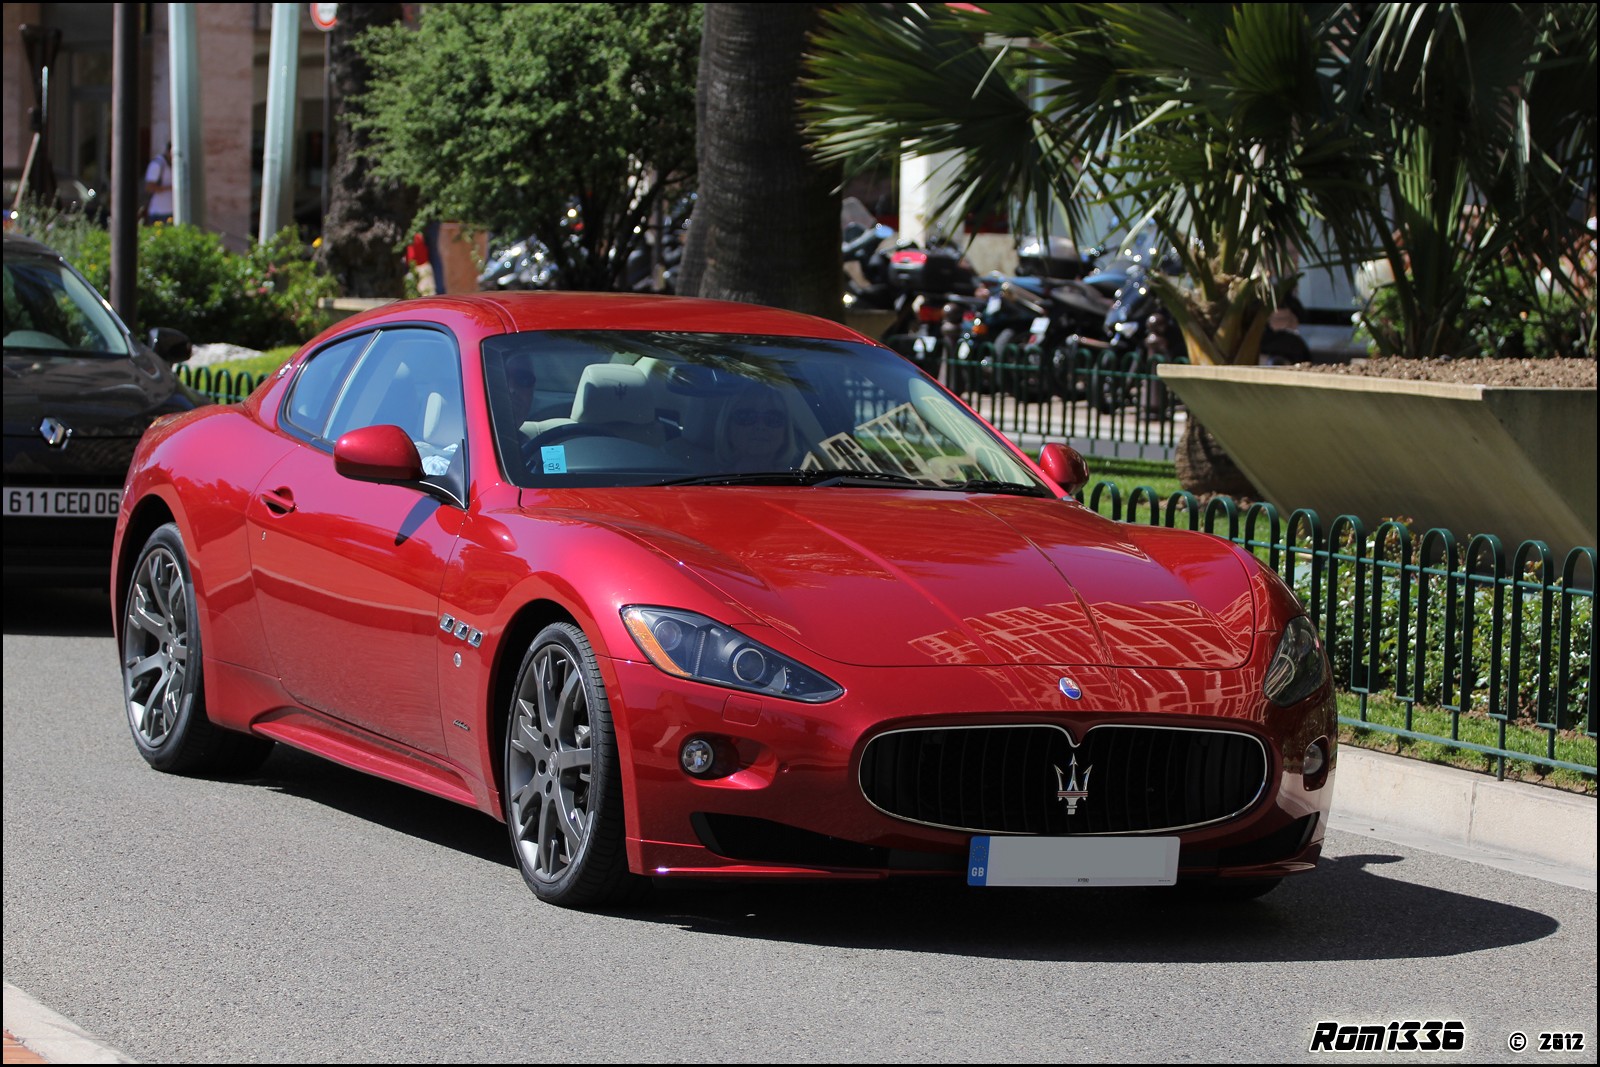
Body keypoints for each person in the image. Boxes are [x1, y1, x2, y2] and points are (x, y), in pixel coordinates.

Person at [714, 381, 803, 472]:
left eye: (773, 418)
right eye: (747, 416)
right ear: (727, 427)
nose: (761, 426)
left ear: (786, 432)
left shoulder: (804, 483)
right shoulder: (709, 483)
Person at [144, 143, 173, 224]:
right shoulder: (158, 164)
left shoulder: (174, 164)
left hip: (172, 211)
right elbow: (149, 187)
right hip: (159, 212)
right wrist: (170, 188)